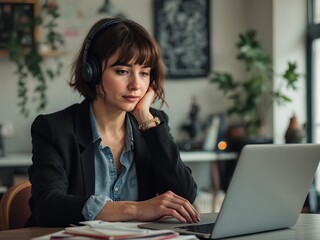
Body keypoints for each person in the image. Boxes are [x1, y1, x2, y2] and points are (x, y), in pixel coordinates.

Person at [27, 17, 199, 227]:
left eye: (144, 73)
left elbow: (185, 196)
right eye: (122, 71)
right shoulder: (54, 129)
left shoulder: (153, 123)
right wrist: (135, 209)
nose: (136, 85)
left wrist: (145, 119)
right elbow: (47, 206)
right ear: (92, 72)